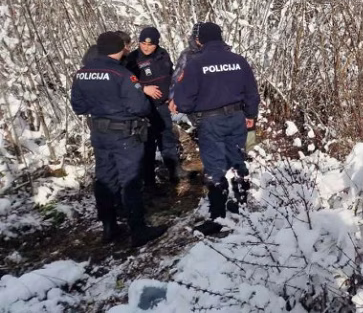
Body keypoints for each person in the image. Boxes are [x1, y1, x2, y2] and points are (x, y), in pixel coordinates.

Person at [70, 31, 168, 247]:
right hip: (124, 133)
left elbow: (78, 107)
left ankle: (109, 226)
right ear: (119, 49)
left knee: (105, 178)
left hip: (99, 132)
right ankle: (138, 230)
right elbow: (140, 107)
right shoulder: (122, 74)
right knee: (130, 180)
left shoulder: (82, 73)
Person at [173, 22, 260, 235]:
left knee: (215, 168)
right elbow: (252, 92)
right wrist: (250, 115)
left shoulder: (194, 64)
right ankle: (241, 206)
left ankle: (218, 217)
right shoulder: (238, 61)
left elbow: (183, 101)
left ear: (199, 40)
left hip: (210, 121)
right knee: (238, 161)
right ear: (221, 38)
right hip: (237, 118)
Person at [126, 27, 183, 185]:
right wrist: (144, 89)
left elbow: (172, 76)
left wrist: (173, 97)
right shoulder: (132, 59)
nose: (146, 47)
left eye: (150, 44)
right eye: (143, 43)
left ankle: (174, 172)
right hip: (145, 109)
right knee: (148, 145)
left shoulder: (163, 54)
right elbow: (125, 85)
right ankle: (149, 182)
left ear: (157, 44)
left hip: (163, 106)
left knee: (167, 138)